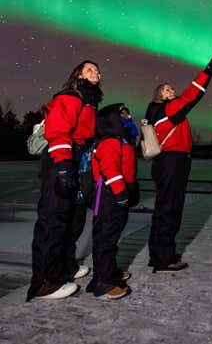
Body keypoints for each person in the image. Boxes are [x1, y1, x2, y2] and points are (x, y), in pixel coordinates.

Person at [26, 60, 103, 301]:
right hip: (61, 158)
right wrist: (62, 167)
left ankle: (66, 266)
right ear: (78, 75)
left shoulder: (89, 101)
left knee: (72, 218)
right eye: (89, 69)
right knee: (53, 219)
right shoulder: (71, 96)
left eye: (97, 70)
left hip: (76, 158)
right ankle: (44, 282)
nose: (96, 72)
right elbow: (58, 130)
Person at [144, 50, 212, 272]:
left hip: (167, 163)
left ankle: (159, 254)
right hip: (172, 162)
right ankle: (164, 259)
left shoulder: (160, 112)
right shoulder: (168, 110)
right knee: (170, 209)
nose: (172, 90)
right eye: (167, 89)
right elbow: (192, 94)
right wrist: (208, 70)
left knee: (164, 208)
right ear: (160, 95)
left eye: (172, 88)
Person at [85, 103, 139, 299]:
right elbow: (110, 169)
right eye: (122, 115)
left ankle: (105, 272)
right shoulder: (110, 141)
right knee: (106, 237)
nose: (128, 117)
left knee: (109, 236)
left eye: (128, 114)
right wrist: (121, 192)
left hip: (116, 190)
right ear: (111, 120)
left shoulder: (122, 139)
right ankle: (104, 282)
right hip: (109, 193)